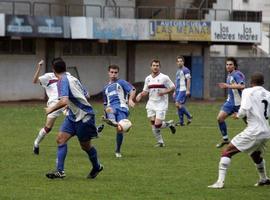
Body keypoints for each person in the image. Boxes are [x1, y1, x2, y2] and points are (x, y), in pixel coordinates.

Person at [208, 72, 270, 189]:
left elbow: (243, 110)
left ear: (251, 83)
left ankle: (219, 182)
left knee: (227, 151)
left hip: (254, 130)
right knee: (255, 154)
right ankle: (264, 179)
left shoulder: (248, 91)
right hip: (266, 131)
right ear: (263, 83)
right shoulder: (268, 94)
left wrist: (237, 115)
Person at [45, 58, 103, 179]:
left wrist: (50, 109)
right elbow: (87, 94)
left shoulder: (62, 81)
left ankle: (96, 167)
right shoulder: (73, 78)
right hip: (72, 116)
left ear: (53, 70)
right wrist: (71, 103)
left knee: (85, 146)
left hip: (84, 116)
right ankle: (60, 171)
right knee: (61, 139)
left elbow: (64, 100)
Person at [136, 59, 176, 147]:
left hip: (161, 104)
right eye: (154, 65)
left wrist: (164, 92)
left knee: (157, 124)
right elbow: (145, 91)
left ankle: (169, 124)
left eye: (157, 66)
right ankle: (160, 142)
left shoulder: (164, 77)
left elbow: (173, 87)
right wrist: (140, 95)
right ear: (151, 67)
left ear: (159, 67)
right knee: (153, 124)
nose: (155, 67)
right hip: (151, 103)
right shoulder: (148, 78)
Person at [32, 59, 66, 155]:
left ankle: (93, 131)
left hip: (65, 102)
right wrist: (39, 67)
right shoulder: (48, 76)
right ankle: (36, 143)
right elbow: (34, 81)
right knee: (48, 128)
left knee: (74, 117)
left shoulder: (66, 76)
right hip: (53, 105)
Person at [102, 64, 136, 158]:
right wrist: (104, 114)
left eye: (115, 72)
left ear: (118, 73)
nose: (113, 74)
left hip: (122, 108)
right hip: (111, 108)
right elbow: (105, 104)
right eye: (112, 72)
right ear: (108, 73)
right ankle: (112, 120)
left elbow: (133, 89)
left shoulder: (121, 82)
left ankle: (118, 150)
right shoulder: (105, 88)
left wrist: (130, 99)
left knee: (119, 130)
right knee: (108, 109)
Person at [216, 57, 245, 148]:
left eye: (230, 64)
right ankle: (225, 139)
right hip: (230, 103)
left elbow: (242, 86)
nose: (228, 66)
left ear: (234, 66)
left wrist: (227, 85)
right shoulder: (229, 75)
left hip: (240, 103)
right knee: (220, 118)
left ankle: (256, 142)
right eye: (227, 64)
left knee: (250, 124)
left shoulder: (237, 74)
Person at [174, 56, 192, 126]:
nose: (179, 62)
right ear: (176, 63)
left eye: (181, 61)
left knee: (177, 104)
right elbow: (176, 81)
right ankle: (181, 122)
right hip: (178, 90)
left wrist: (187, 90)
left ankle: (189, 115)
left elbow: (188, 80)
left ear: (183, 62)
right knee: (179, 106)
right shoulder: (178, 71)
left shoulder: (186, 70)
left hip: (183, 90)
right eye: (178, 61)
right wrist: (175, 91)